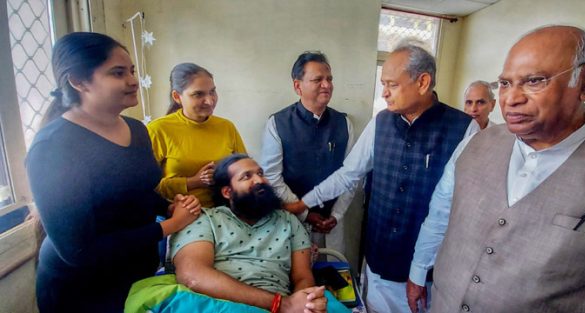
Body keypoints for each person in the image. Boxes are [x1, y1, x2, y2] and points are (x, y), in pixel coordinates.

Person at [417, 25, 585, 313]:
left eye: (534, 81)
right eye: (504, 83)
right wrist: (418, 270)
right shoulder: (474, 145)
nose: (511, 99)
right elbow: (440, 214)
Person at [285, 41, 478, 312]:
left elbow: (446, 208)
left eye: (392, 85)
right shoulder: (381, 122)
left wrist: (419, 273)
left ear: (422, 82)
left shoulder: (464, 130)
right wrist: (303, 203)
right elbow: (348, 174)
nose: (384, 93)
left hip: (429, 271)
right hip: (379, 257)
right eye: (383, 84)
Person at [25, 32, 201, 313]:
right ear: (78, 81)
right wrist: (169, 226)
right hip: (83, 290)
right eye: (117, 73)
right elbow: (78, 252)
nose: (132, 80)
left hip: (136, 276)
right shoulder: (55, 147)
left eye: (131, 70)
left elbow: (138, 192)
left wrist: (170, 207)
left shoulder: (136, 131)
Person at [169, 154, 349, 313]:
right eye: (247, 176)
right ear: (227, 192)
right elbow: (192, 275)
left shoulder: (289, 221)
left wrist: (304, 303)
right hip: (218, 303)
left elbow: (302, 276)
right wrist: (281, 304)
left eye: (261, 174)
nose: (259, 180)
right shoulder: (206, 220)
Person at [260, 51, 355, 254]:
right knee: (296, 279)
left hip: (332, 222)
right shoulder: (278, 123)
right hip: (292, 220)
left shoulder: (343, 123)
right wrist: (305, 213)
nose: (327, 85)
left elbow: (353, 175)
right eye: (317, 80)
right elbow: (272, 177)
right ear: (298, 86)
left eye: (329, 79)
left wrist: (336, 215)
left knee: (333, 275)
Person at [147, 63, 247, 208]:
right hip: (183, 213)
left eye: (212, 91)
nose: (210, 100)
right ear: (177, 96)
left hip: (227, 210)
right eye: (198, 94)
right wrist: (194, 181)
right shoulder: (158, 130)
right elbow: (149, 187)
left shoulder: (226, 127)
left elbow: (245, 169)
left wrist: (222, 173)